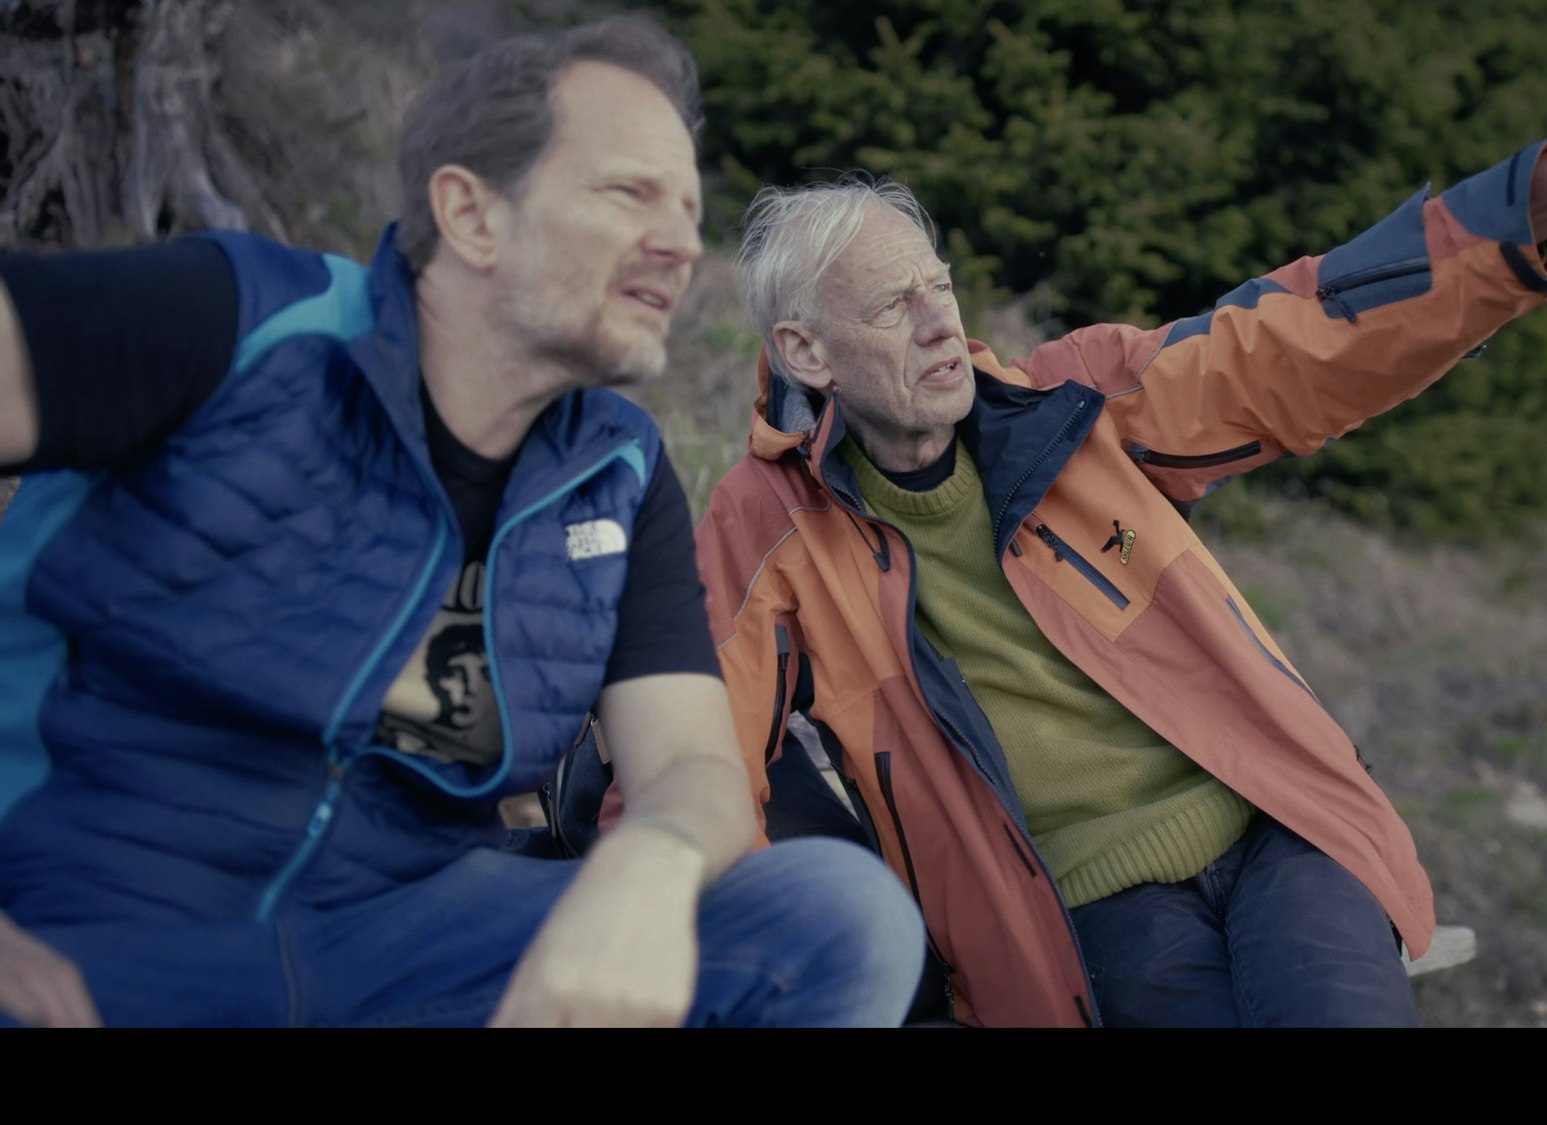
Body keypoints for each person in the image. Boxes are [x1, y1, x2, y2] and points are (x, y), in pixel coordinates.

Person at [695, 36, 1547, 1027]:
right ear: (807, 353)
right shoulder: (762, 530)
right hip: (1083, 918)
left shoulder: (1065, 405)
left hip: (1275, 827)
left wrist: (1544, 194)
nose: (942, 318)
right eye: (893, 305)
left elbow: (1299, 339)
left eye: (938, 284)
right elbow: (691, 761)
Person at [0, 17, 923, 1029]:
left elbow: (690, 766)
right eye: (628, 193)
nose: (678, 245)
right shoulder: (245, 321)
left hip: (406, 942)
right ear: (472, 216)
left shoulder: (615, 474)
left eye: (689, 209)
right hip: (97, 915)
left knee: (836, 921)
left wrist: (650, 866)